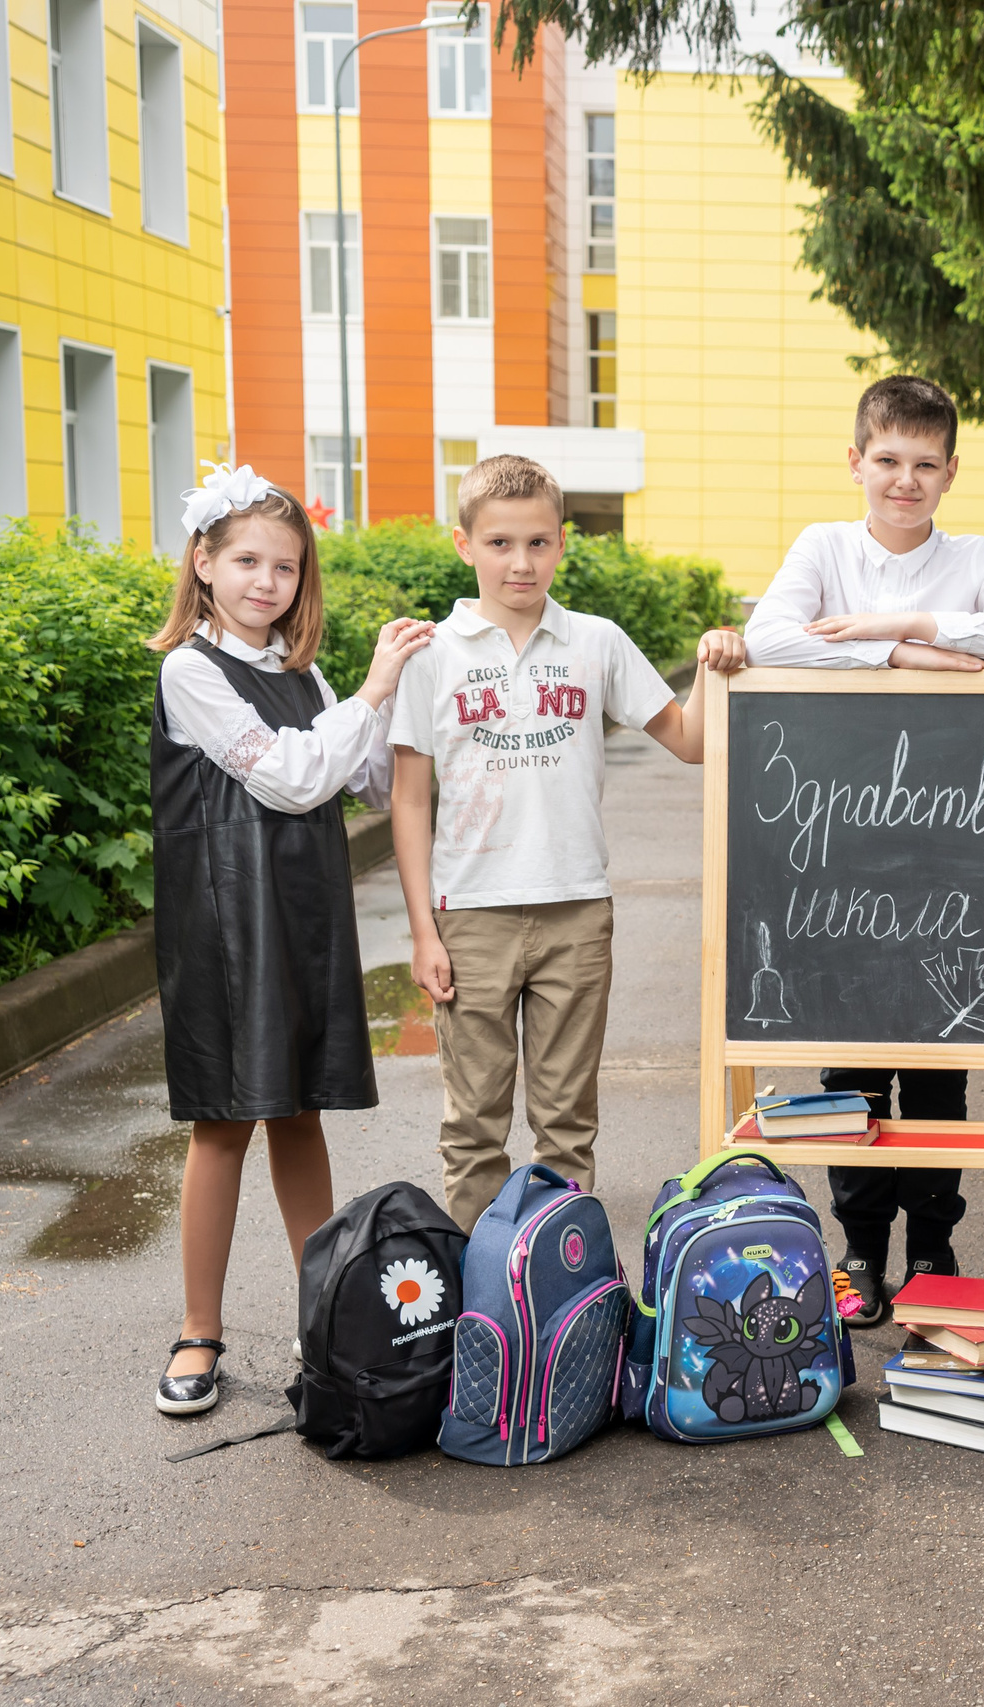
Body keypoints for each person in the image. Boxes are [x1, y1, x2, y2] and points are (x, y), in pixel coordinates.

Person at [740, 374, 984, 1326]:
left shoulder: (970, 560)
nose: (906, 480)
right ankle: (857, 1252)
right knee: (851, 1075)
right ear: (856, 462)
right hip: (835, 859)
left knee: (938, 1070)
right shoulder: (822, 548)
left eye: (926, 464)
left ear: (952, 470)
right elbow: (769, 638)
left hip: (951, 852)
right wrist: (900, 660)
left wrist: (908, 620)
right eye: (888, 460)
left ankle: (933, 1246)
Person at [146, 465, 435, 1415]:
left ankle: (328, 1321)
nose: (265, 581)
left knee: (299, 1111)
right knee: (225, 1121)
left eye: (284, 566)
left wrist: (394, 703)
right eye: (245, 561)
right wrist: (375, 684)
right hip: (228, 926)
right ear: (203, 562)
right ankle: (200, 1331)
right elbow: (292, 776)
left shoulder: (297, 671)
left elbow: (356, 778)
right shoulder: (189, 669)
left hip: (302, 918)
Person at [389, 454, 717, 1233]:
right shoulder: (431, 654)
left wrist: (710, 663)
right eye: (500, 543)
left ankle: (560, 1292)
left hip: (575, 910)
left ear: (562, 543)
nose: (520, 561)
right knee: (474, 1125)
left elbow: (692, 741)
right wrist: (422, 931)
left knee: (567, 1121)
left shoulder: (596, 641)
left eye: (538, 542)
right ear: (464, 543)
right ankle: (484, 1302)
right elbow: (408, 798)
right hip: (470, 914)